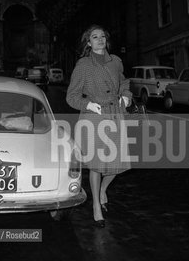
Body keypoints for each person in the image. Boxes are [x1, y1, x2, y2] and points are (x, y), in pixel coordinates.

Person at [66, 24, 132, 228]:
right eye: (95, 37)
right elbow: (71, 96)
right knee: (96, 165)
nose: (100, 39)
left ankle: (103, 189)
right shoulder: (83, 65)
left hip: (115, 115)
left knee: (117, 164)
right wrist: (88, 105)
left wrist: (127, 98)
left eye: (102, 36)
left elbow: (124, 83)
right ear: (88, 42)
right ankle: (96, 205)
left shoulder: (116, 62)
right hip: (94, 118)